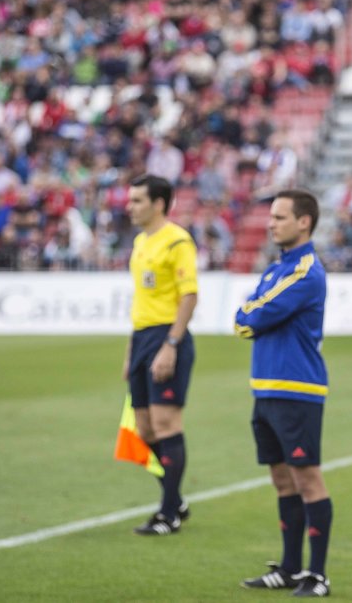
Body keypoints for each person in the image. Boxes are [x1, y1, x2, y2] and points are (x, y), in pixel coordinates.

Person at [235, 189, 333, 598]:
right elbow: (249, 316)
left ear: (303, 222)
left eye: (279, 217)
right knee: (281, 480)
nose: (271, 223)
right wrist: (250, 315)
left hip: (297, 391)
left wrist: (249, 315)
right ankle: (291, 568)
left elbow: (248, 317)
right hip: (266, 389)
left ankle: (317, 574)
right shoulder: (277, 268)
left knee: (307, 479)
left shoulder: (305, 271)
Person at [124, 175, 199, 536]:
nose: (130, 206)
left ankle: (168, 512)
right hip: (141, 338)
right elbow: (141, 300)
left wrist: (171, 345)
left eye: (137, 200)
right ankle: (175, 499)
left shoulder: (177, 241)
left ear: (158, 203)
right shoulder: (140, 242)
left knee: (167, 425)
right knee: (143, 429)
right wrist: (131, 351)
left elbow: (188, 296)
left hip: (167, 337)